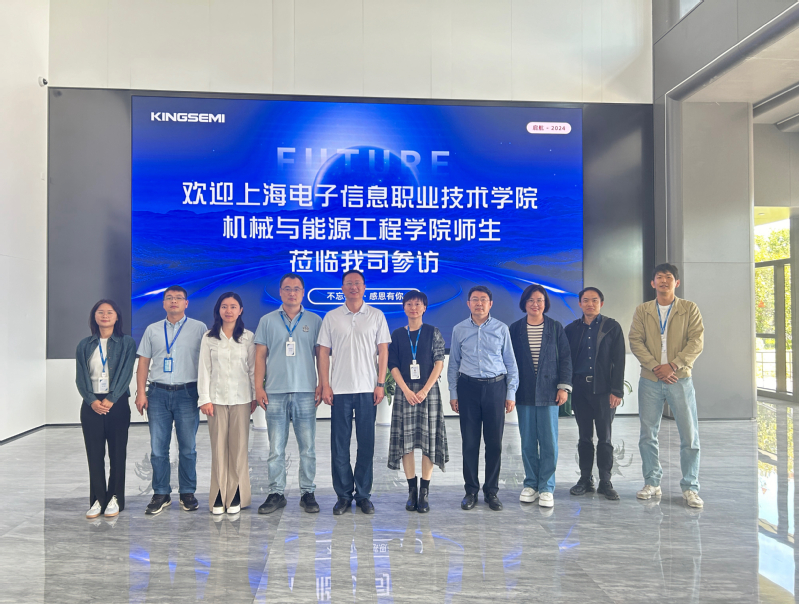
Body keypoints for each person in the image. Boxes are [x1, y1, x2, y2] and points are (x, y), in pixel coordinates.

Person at [629, 263, 705, 508]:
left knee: (689, 435)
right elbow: (635, 341)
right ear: (652, 283)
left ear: (676, 282)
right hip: (650, 380)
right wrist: (655, 367)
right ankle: (652, 482)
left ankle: (690, 487)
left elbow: (696, 341)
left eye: (668, 277)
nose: (664, 280)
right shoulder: (643, 310)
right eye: (659, 277)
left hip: (679, 378)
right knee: (648, 434)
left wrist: (673, 365)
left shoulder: (689, 308)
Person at [318, 270, 391, 515]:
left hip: (367, 389)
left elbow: (383, 351)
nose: (353, 287)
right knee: (339, 445)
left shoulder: (376, 315)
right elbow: (323, 352)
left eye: (357, 283)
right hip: (339, 390)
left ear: (364, 287)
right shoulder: (331, 316)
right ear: (342, 288)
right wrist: (325, 384)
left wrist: (380, 383)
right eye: (348, 283)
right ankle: (343, 495)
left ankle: (363, 495)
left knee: (366, 445)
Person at [254, 273, 323, 515]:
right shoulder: (267, 320)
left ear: (303, 292)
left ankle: (308, 492)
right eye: (287, 288)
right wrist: (259, 387)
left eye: (296, 289)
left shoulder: (315, 320)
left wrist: (322, 384)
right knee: (276, 448)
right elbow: (260, 357)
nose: (291, 293)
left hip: (306, 392)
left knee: (308, 448)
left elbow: (321, 356)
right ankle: (276, 493)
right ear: (280, 292)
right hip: (275, 392)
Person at [135, 286, 208, 515]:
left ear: (186, 303)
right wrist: (140, 392)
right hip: (158, 393)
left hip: (188, 393)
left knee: (188, 448)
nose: (173, 301)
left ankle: (187, 492)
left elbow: (206, 363)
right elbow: (143, 363)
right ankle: (161, 493)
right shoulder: (152, 330)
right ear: (163, 303)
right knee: (158, 448)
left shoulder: (199, 328)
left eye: (178, 298)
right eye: (169, 298)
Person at [448, 285, 519, 511]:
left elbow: (511, 364)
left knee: (494, 444)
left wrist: (510, 393)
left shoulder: (501, 329)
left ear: (490, 304)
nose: (479, 303)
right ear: (468, 303)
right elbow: (453, 364)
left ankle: (491, 491)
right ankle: (471, 491)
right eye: (475, 299)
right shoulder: (459, 329)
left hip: (495, 388)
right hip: (468, 388)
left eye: (483, 299)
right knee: (470, 443)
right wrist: (453, 393)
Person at [509, 284, 572, 508]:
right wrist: (509, 391)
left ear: (545, 303)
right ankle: (531, 484)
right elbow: (509, 361)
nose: (535, 304)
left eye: (540, 300)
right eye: (531, 300)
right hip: (524, 392)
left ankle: (546, 487)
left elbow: (565, 358)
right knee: (527, 442)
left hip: (549, 392)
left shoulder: (555, 327)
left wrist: (563, 387)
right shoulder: (515, 329)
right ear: (524, 303)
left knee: (549, 442)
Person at [75, 299, 137, 519]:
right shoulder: (85, 344)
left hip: (116, 403)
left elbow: (126, 373)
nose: (105, 315)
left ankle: (115, 498)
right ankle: (97, 500)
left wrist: (111, 398)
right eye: (100, 312)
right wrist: (91, 400)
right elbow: (81, 377)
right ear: (94, 316)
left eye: (110, 312)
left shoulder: (127, 342)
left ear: (117, 317)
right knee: (94, 454)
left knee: (117, 454)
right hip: (91, 404)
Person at [387, 290, 448, 513]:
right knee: (406, 442)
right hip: (405, 392)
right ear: (404, 307)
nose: (413, 308)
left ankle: (424, 492)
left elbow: (439, 362)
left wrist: (424, 390)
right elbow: (392, 365)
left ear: (424, 308)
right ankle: (412, 491)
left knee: (428, 440)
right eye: (409, 304)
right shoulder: (397, 334)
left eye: (418, 304)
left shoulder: (433, 332)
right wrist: (405, 390)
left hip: (427, 391)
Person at [564, 287, 625, 500]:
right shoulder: (571, 329)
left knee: (605, 438)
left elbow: (619, 361)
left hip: (604, 391)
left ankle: (605, 481)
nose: (590, 304)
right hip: (580, 390)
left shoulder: (612, 327)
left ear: (601, 303)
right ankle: (585, 479)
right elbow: (566, 361)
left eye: (595, 300)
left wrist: (616, 391)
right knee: (584, 437)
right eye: (586, 300)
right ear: (579, 303)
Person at [198, 292, 256, 515]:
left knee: (239, 449)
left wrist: (254, 396)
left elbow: (252, 370)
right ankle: (219, 494)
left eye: (233, 306)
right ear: (218, 310)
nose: (228, 310)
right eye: (224, 306)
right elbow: (204, 369)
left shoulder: (248, 337)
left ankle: (236, 494)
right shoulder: (209, 337)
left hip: (242, 399)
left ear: (240, 310)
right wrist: (205, 398)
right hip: (216, 401)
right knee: (219, 448)